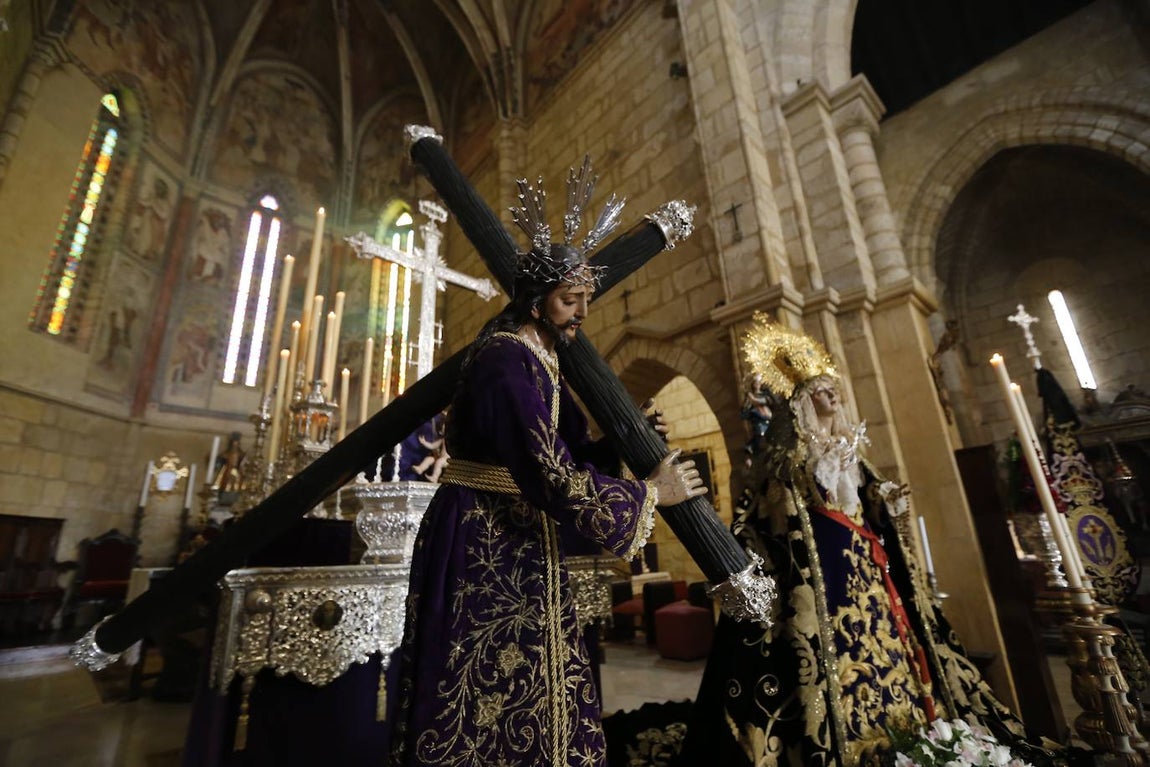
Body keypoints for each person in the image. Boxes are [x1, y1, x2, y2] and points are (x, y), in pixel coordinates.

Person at [386, 170, 707, 767]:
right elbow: (549, 474)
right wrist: (648, 496)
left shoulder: (541, 358)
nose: (582, 311)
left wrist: (618, 445)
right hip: (482, 539)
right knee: (485, 692)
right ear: (536, 300)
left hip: (518, 535)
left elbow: (570, 452)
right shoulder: (507, 360)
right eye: (569, 299)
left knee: (538, 682)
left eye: (586, 296)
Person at [680, 316, 1041, 767]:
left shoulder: (852, 450)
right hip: (825, 576)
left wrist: (887, 503)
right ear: (804, 401)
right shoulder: (793, 455)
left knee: (891, 651)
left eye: (833, 387)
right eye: (821, 389)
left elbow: (868, 497)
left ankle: (911, 735)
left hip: (867, 570)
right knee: (838, 662)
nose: (833, 394)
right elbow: (777, 511)